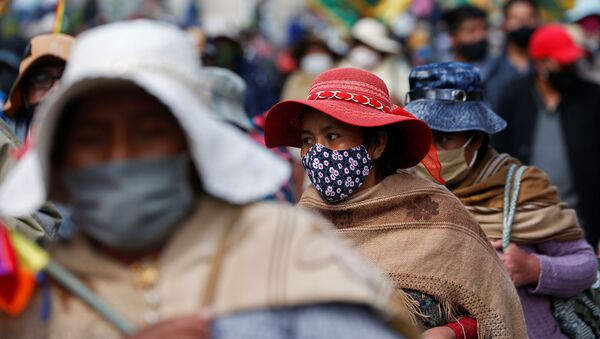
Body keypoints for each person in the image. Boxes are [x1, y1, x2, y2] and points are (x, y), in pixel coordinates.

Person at [0, 20, 418, 339]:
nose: (120, 157)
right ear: (63, 157)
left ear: (192, 144)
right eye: (92, 138)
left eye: (148, 134)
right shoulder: (32, 288)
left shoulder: (283, 247)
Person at [264, 67, 527, 338]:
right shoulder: (304, 220)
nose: (317, 152)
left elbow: (495, 309)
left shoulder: (436, 212)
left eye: (332, 136)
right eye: (308, 140)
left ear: (376, 144)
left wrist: (453, 332)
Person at [405, 61, 598, 339]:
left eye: (445, 138)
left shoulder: (522, 187)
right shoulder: (398, 188)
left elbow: (585, 266)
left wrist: (533, 269)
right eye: (425, 138)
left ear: (477, 138)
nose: (433, 151)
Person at [493, 24, 600, 250]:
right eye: (561, 63)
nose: (569, 67)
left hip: (582, 221)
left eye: (571, 62)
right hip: (526, 223)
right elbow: (498, 155)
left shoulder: (591, 97)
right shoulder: (514, 96)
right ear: (540, 64)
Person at [2, 33, 74, 143]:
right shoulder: (4, 148)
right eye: (42, 78)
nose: (55, 88)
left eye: (66, 76)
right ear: (24, 92)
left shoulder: (105, 150)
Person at [339, 18, 410, 104]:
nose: (363, 49)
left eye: (368, 46)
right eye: (359, 44)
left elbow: (407, 100)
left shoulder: (397, 71)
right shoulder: (341, 70)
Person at [486, 0, 540, 110]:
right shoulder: (491, 71)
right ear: (504, 24)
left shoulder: (547, 66)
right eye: (515, 18)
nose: (523, 23)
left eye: (529, 17)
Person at [443, 5, 500, 98]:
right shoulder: (440, 76)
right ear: (453, 37)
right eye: (471, 31)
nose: (480, 36)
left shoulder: (500, 69)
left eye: (484, 29)